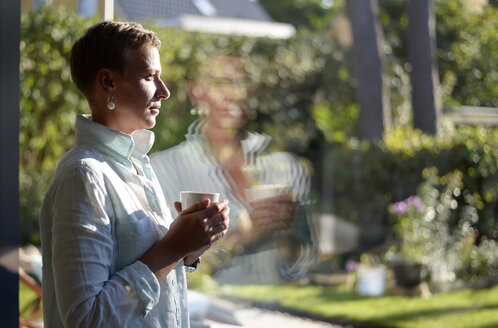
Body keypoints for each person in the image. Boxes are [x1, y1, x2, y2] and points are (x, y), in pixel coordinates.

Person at [39, 21, 230, 327]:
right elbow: (87, 320)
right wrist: (172, 247)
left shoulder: (136, 164)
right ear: (108, 83)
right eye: (150, 77)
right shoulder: (83, 176)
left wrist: (189, 249)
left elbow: (152, 287)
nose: (164, 92)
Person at [151, 56, 315, 284]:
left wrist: (287, 237)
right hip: (212, 311)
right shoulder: (164, 168)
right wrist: (241, 237)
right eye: (220, 83)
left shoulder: (281, 166)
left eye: (242, 83)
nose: (234, 94)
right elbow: (165, 272)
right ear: (194, 91)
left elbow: (303, 262)